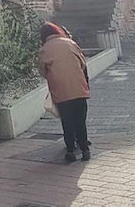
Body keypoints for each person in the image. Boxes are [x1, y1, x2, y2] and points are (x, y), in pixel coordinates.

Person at [39, 22, 92, 163]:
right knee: (80, 121)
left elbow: (42, 71)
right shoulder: (70, 43)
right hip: (79, 89)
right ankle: (85, 150)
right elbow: (83, 63)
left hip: (61, 91)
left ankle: (70, 152)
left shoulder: (44, 49)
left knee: (67, 121)